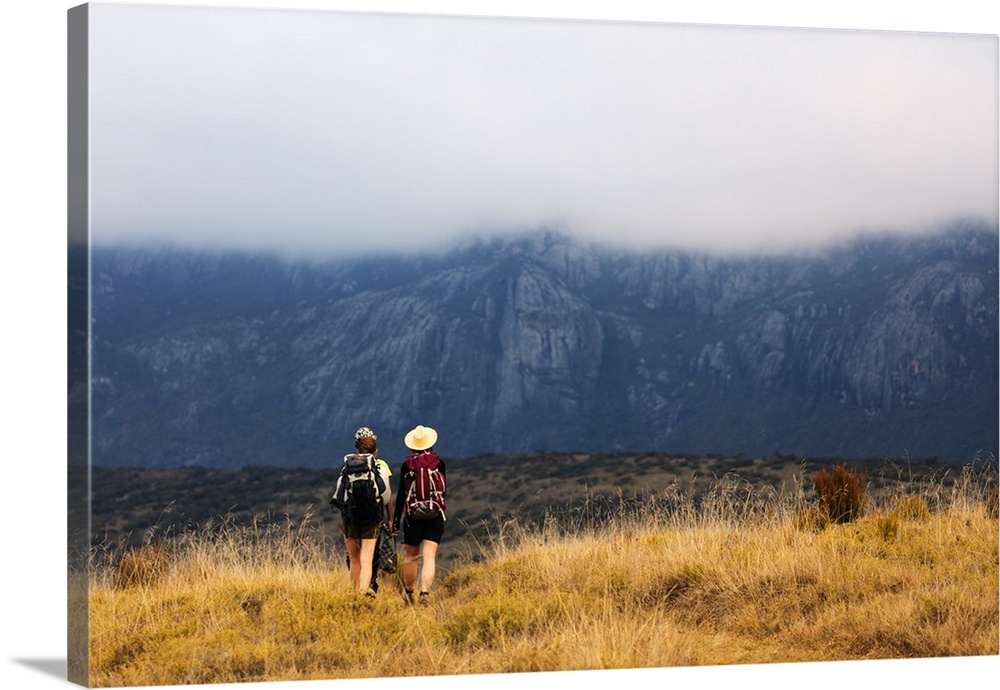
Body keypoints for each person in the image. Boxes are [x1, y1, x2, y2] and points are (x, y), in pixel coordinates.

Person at [335, 426, 393, 596]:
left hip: (350, 519)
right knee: (366, 559)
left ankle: (353, 596)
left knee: (354, 559)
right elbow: (387, 495)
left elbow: (340, 494)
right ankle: (363, 594)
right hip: (371, 519)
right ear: (376, 451)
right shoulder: (379, 468)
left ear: (357, 448)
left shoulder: (347, 467)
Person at [393, 424, 447, 606]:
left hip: (412, 517)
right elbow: (443, 491)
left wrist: (395, 521)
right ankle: (425, 593)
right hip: (434, 515)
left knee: (411, 558)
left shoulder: (407, 466)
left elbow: (401, 495)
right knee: (429, 556)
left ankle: (409, 593)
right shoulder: (439, 463)